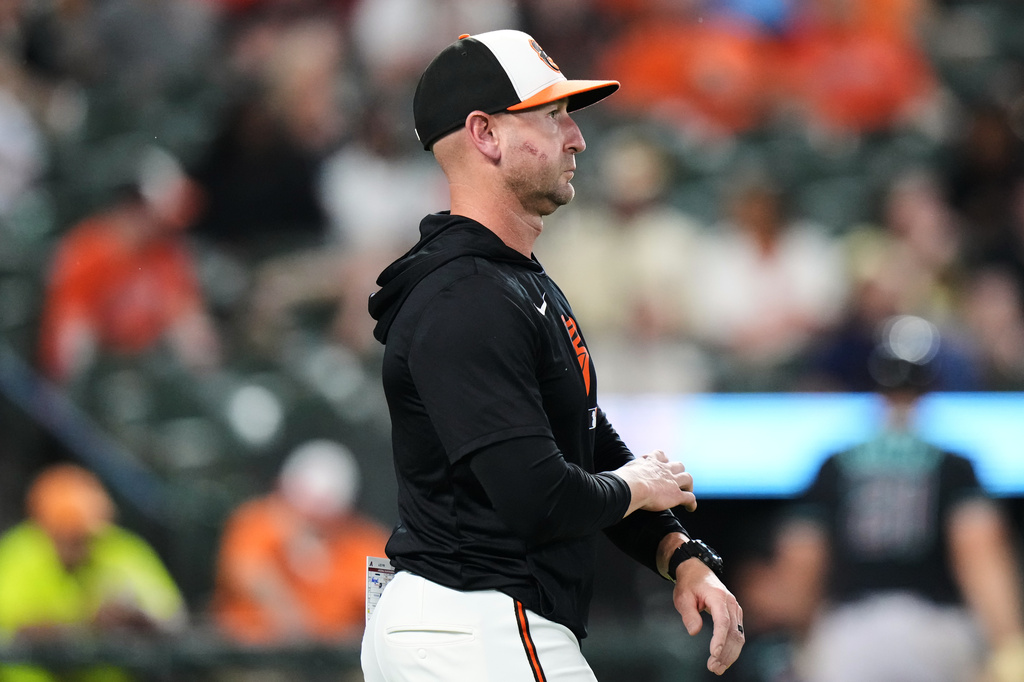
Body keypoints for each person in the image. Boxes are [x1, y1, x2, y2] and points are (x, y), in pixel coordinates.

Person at [361, 29, 744, 681]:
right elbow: (537, 497)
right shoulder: (466, 295)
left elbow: (584, 444)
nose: (577, 138)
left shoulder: (509, 278)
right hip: (477, 621)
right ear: (486, 135)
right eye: (551, 115)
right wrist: (636, 486)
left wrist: (679, 552)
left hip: (473, 623)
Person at [766, 315, 1024, 682]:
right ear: (932, 385)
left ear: (875, 383)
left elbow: (802, 559)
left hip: (849, 635)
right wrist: (1009, 644)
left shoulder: (835, 464)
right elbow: (978, 553)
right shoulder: (953, 465)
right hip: (933, 633)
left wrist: (802, 641)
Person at [0, 463, 187, 682]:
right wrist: (85, 624)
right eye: (67, 535)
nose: (79, 545)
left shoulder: (120, 549)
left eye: (85, 536)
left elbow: (172, 617)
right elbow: (12, 630)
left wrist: (134, 616)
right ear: (42, 526)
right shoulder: (18, 552)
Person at [211, 439, 389, 645]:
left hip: (332, 661)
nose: (310, 519)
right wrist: (291, 616)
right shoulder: (256, 522)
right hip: (255, 654)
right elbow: (246, 570)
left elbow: (384, 598)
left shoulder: (364, 545)